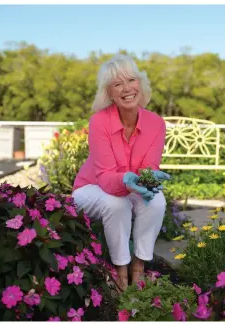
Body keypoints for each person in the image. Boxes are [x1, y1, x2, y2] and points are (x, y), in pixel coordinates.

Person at [72, 54, 170, 292]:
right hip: (91, 187)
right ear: (110, 93)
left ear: (140, 84)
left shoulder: (156, 123)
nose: (127, 88)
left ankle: (139, 267)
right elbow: (105, 176)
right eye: (118, 84)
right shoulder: (99, 122)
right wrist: (127, 181)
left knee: (157, 201)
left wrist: (148, 178)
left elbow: (149, 167)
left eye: (131, 80)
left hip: (128, 187)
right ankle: (120, 272)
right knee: (117, 205)